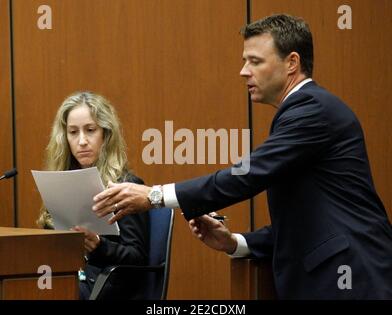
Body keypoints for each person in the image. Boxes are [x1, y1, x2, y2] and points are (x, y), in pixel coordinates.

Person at [92, 14, 392, 299]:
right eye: (244, 61)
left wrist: (155, 196)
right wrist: (234, 242)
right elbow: (307, 217)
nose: (243, 71)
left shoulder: (312, 110)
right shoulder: (303, 112)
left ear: (292, 63)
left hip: (350, 278)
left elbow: (247, 174)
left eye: (255, 61)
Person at [37, 91, 149, 300]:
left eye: (90, 130)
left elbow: (138, 259)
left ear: (106, 135)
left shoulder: (127, 187)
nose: (81, 141)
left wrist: (98, 246)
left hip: (107, 289)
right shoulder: (61, 184)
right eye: (73, 132)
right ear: (64, 138)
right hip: (66, 278)